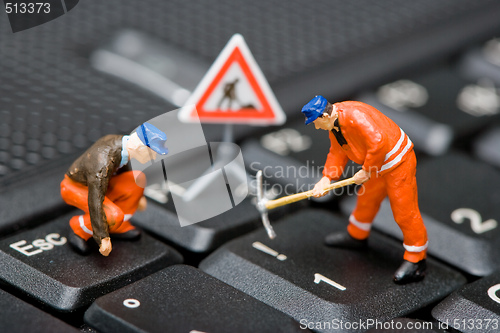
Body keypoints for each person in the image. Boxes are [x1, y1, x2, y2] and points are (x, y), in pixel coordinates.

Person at [302, 95, 428, 284]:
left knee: (404, 213)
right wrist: (326, 178)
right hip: (376, 166)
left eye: (315, 122)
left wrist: (366, 169)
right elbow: (337, 153)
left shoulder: (355, 117)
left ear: (324, 117)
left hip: (397, 163)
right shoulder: (334, 127)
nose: (316, 127)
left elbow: (378, 142)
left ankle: (416, 259)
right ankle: (357, 236)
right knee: (366, 200)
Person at [60, 122, 168, 256]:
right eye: (152, 153)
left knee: (137, 178)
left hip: (103, 184)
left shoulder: (123, 147)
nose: (154, 157)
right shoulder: (103, 161)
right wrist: (102, 237)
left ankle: (118, 226)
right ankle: (78, 228)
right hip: (76, 188)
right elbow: (95, 199)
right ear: (139, 147)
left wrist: (138, 195)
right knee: (113, 215)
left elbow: (120, 170)